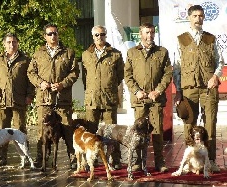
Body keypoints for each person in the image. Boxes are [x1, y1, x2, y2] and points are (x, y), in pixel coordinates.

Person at [173, 5, 224, 173]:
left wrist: (215, 76)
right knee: (189, 124)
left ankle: (210, 161)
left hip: (208, 88)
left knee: (210, 124)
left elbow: (220, 61)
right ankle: (189, 162)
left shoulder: (210, 38)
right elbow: (176, 67)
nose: (198, 19)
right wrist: (178, 90)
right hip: (189, 89)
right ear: (189, 17)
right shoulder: (180, 39)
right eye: (195, 16)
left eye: (201, 16)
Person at [27, 23, 79, 168]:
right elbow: (31, 73)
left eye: (55, 33)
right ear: (45, 36)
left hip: (63, 99)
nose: (53, 36)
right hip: (44, 100)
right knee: (42, 130)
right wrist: (40, 83)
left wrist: (63, 84)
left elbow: (75, 73)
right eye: (50, 34)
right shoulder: (38, 54)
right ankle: (41, 157)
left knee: (68, 129)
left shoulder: (68, 52)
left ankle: (73, 158)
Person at [124, 22, 172, 173]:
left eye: (152, 32)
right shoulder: (132, 52)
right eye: (146, 32)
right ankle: (138, 161)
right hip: (139, 100)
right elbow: (128, 75)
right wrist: (136, 91)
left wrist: (157, 91)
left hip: (156, 99)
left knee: (157, 131)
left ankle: (159, 161)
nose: (149, 35)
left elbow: (167, 74)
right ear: (140, 34)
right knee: (138, 132)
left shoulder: (162, 52)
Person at [0, 33, 35, 166]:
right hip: (2, 101)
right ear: (4, 44)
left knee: (20, 130)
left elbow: (31, 79)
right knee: (1, 131)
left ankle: (25, 157)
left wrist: (30, 95)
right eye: (8, 42)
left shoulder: (25, 60)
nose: (11, 44)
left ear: (18, 43)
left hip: (19, 100)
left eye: (14, 42)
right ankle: (2, 158)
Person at [81, 25, 124, 169]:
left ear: (106, 35)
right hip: (92, 99)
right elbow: (85, 77)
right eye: (97, 35)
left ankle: (115, 159)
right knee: (90, 131)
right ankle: (91, 159)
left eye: (102, 34)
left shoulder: (115, 54)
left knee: (112, 131)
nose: (100, 37)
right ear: (93, 37)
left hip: (108, 98)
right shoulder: (86, 55)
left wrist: (108, 87)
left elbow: (120, 76)